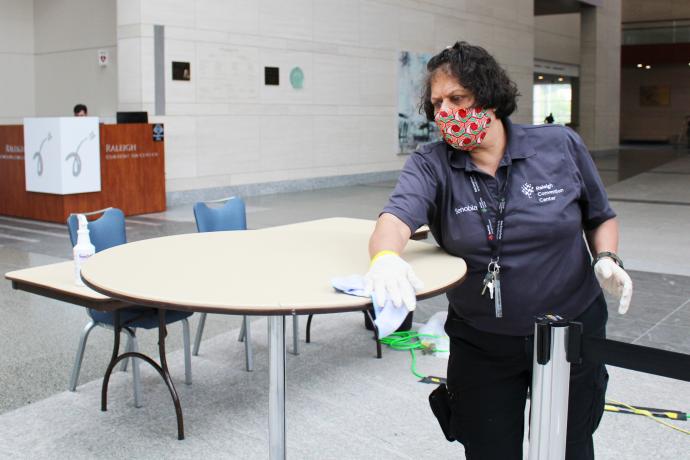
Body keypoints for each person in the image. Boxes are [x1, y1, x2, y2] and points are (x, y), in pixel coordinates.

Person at [363, 41, 633, 460]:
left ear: (488, 95)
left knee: (568, 445)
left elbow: (600, 215)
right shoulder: (431, 162)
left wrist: (606, 258)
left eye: (458, 98)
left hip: (569, 332)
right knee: (488, 448)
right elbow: (396, 218)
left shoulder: (558, 145)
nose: (445, 113)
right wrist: (384, 257)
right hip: (483, 340)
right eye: (437, 103)